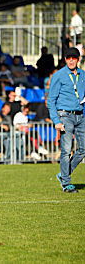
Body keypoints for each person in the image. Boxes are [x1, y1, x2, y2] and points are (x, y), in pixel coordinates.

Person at [48, 47, 85, 193]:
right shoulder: (59, 75)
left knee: (83, 149)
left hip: (81, 115)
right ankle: (67, 183)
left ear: (78, 59)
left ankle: (63, 175)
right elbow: (51, 100)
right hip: (65, 116)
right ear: (65, 59)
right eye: (68, 57)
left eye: (74, 58)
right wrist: (56, 121)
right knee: (66, 151)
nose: (71, 60)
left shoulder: (83, 75)